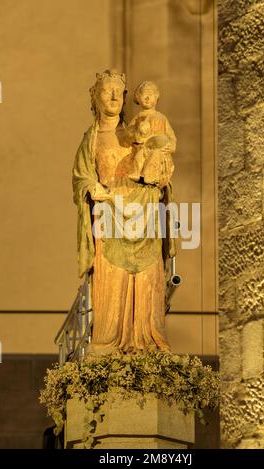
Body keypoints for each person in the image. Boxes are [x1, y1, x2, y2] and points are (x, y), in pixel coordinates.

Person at [72, 70, 175, 355]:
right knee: (113, 278)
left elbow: (159, 163)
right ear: (95, 97)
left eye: (119, 91)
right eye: (107, 91)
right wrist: (92, 187)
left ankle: (147, 340)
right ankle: (107, 341)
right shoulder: (91, 139)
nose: (115, 97)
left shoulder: (138, 129)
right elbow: (81, 176)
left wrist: (159, 177)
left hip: (144, 212)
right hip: (110, 213)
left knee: (147, 279)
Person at [126, 81, 176, 186]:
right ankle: (136, 173)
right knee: (139, 156)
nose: (147, 98)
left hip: (158, 151)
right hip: (143, 148)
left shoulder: (161, 118)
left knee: (155, 154)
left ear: (156, 97)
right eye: (144, 94)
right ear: (138, 97)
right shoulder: (138, 117)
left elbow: (171, 136)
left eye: (151, 94)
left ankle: (150, 175)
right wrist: (137, 133)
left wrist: (171, 146)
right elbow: (129, 133)